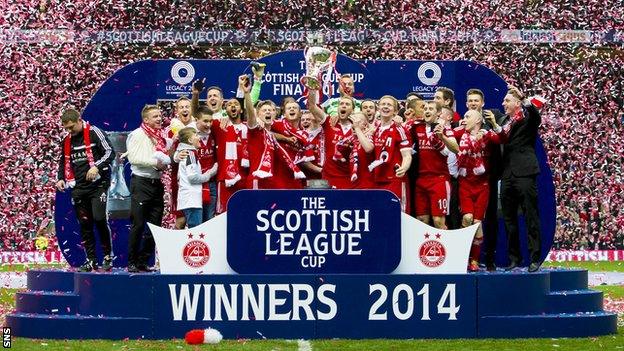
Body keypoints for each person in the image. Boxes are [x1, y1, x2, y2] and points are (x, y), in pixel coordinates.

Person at [56, 108, 115, 272]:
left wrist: (96, 166)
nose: (69, 131)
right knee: (84, 224)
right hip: (78, 187)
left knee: (99, 218)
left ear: (79, 120)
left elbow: (110, 152)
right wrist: (60, 178)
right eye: (66, 128)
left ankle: (108, 256)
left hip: (98, 185)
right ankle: (91, 260)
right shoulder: (67, 140)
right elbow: (63, 162)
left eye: (71, 127)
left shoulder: (95, 132)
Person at [500, 86, 543, 272]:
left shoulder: (527, 119)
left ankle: (534, 258)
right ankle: (514, 258)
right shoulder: (503, 121)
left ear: (517, 104)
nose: (503, 103)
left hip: (524, 172)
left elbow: (536, 116)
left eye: (507, 101)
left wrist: (524, 97)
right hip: (507, 173)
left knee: (530, 215)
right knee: (509, 219)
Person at [465, 88, 507, 271]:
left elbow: (503, 137)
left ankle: (489, 258)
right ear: (466, 104)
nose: (473, 103)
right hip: (466, 180)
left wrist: (490, 126)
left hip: (489, 179)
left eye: (476, 100)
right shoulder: (463, 123)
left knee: (489, 219)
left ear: (482, 103)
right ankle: (467, 258)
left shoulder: (494, 117)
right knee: (466, 219)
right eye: (470, 101)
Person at [126, 104, 170, 273]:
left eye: (160, 116)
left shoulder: (159, 136)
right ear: (145, 120)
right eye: (155, 117)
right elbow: (134, 158)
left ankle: (143, 261)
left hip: (156, 183)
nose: (159, 119)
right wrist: (157, 162)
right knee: (138, 224)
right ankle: (132, 261)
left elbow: (161, 161)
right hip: (141, 183)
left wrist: (162, 165)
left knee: (155, 225)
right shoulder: (137, 135)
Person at [409, 101, 459, 229]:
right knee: (421, 220)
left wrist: (442, 136)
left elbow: (455, 148)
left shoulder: (445, 128)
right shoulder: (416, 128)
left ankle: (446, 249)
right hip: (421, 180)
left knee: (438, 221)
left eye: (431, 109)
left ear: (438, 113)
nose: (427, 111)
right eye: (425, 108)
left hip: (439, 180)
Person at [368, 96, 412, 212]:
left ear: (396, 111)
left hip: (394, 180)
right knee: (379, 215)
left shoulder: (400, 129)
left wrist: (404, 167)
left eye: (389, 105)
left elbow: (407, 155)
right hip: (377, 180)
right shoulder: (374, 129)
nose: (386, 107)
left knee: (399, 216)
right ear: (378, 108)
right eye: (383, 104)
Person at [175, 127, 218, 228]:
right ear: (190, 140)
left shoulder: (188, 153)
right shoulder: (190, 154)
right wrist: (210, 174)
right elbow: (193, 178)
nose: (199, 138)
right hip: (192, 200)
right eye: (196, 135)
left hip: (190, 199)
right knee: (195, 232)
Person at [194, 106, 218, 221]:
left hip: (211, 184)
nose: (208, 124)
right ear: (196, 119)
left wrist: (213, 171)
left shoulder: (216, 133)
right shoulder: (190, 135)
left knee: (209, 219)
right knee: (196, 220)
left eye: (210, 121)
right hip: (195, 184)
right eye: (205, 121)